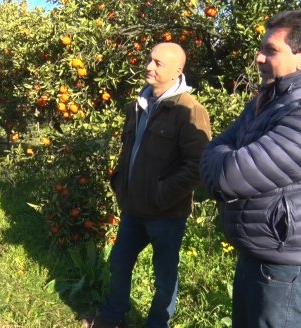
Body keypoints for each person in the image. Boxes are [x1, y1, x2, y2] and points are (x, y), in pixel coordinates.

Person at [85, 42, 211, 328]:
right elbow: (130, 150)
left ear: (177, 71)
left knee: (164, 276)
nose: (149, 67)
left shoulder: (189, 111)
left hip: (166, 213)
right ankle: (113, 315)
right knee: (119, 262)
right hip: (133, 208)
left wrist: (161, 194)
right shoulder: (138, 105)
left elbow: (198, 165)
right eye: (149, 60)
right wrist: (120, 182)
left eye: (158, 63)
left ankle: (157, 324)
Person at [200, 10, 301, 328]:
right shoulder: (266, 101)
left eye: (271, 50)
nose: (259, 58)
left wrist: (222, 158)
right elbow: (212, 151)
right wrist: (221, 156)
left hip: (285, 271)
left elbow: (230, 175)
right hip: (255, 256)